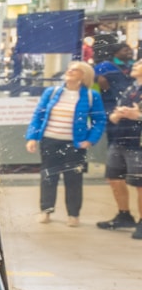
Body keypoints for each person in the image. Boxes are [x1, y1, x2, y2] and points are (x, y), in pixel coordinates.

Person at [24, 60, 106, 227]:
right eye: (69, 69)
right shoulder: (52, 92)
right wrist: (32, 137)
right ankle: (46, 210)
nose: (69, 71)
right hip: (50, 141)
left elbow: (100, 120)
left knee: (73, 179)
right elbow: (38, 116)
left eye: (75, 70)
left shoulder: (92, 96)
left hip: (74, 145)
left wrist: (90, 140)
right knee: (48, 177)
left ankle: (73, 214)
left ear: (84, 76)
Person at [94, 43, 141, 231]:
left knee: (139, 182)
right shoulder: (130, 89)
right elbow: (114, 113)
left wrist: (137, 116)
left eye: (139, 63)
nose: (135, 64)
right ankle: (124, 215)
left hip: (138, 143)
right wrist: (117, 115)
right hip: (119, 139)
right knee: (113, 177)